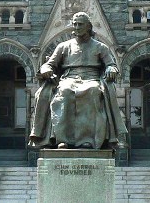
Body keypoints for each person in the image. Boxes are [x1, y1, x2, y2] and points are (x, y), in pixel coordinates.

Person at [28, 12, 127, 149]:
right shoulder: (63, 46)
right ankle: (63, 140)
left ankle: (87, 140)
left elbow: (111, 65)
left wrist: (111, 69)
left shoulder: (100, 47)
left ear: (88, 27)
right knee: (64, 92)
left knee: (92, 91)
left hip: (92, 78)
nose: (77, 27)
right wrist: (45, 69)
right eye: (75, 24)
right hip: (69, 78)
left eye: (80, 24)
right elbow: (49, 64)